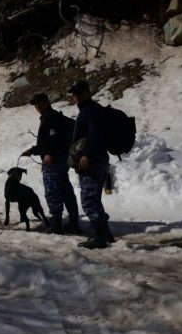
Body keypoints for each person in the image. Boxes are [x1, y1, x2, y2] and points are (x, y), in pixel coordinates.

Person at [22, 93, 80, 234]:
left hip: (54, 162)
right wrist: (34, 150)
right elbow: (47, 142)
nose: (37, 106)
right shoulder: (51, 117)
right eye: (35, 104)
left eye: (40, 102)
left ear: (47, 102)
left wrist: (50, 154)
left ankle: (56, 224)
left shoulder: (51, 118)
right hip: (60, 161)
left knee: (53, 192)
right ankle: (73, 222)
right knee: (66, 191)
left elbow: (55, 140)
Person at [67, 80, 116, 249]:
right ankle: (105, 234)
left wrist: (86, 155)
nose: (76, 96)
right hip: (97, 159)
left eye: (79, 92)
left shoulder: (91, 111)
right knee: (94, 198)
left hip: (92, 160)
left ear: (88, 92)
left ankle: (99, 237)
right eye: (74, 94)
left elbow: (96, 135)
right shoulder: (91, 110)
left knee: (89, 200)